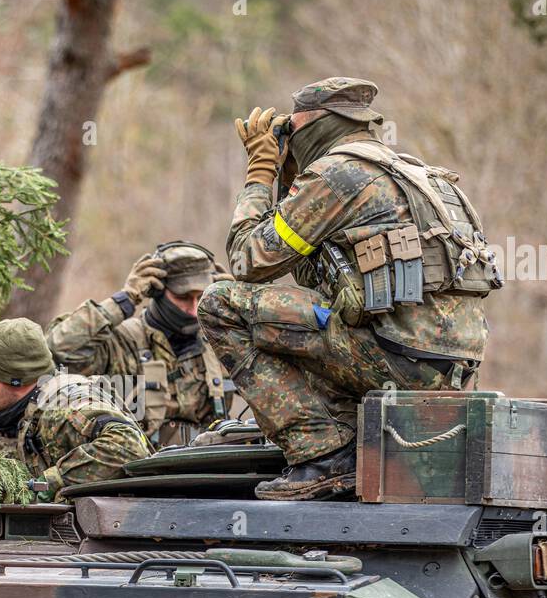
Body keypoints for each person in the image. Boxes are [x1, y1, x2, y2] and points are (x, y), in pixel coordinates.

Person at [199, 77, 498, 500]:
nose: (290, 135)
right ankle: (348, 444)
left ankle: (322, 456)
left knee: (220, 304)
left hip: (395, 356)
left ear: (321, 125)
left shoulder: (338, 175)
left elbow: (248, 261)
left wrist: (259, 174)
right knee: (312, 316)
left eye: (294, 127)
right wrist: (290, 180)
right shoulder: (413, 172)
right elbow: (310, 276)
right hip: (448, 367)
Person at [45, 242, 230, 446]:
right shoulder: (121, 342)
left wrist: (241, 313)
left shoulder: (222, 342)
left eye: (202, 297)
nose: (193, 310)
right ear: (157, 292)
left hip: (210, 469)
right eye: (182, 297)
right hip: (137, 472)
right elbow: (58, 349)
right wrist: (125, 300)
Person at [0, 318, 151, 499]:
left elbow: (129, 446)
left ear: (15, 379)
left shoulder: (65, 407)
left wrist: (48, 483)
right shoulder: (5, 414)